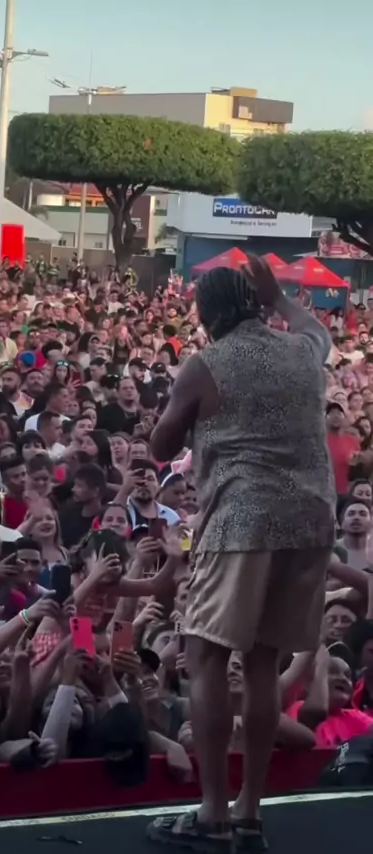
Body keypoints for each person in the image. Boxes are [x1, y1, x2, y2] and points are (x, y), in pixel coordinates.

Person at [147, 258, 336, 851]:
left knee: (205, 655)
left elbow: (160, 445)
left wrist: (189, 412)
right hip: (310, 520)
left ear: (205, 314)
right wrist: (279, 297)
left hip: (241, 520)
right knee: (262, 662)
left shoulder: (207, 363)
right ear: (256, 303)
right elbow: (318, 330)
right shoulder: (301, 350)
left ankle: (212, 814)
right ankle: (249, 811)